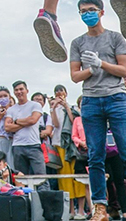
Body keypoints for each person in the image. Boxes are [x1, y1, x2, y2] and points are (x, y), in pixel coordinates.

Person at [69, 0, 126, 221]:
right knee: (95, 156)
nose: (87, 13)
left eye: (91, 9)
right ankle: (99, 208)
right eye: (83, 11)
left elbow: (124, 70)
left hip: (116, 98)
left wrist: (101, 64)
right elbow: (75, 75)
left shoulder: (115, 38)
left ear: (101, 12)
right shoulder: (77, 43)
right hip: (90, 101)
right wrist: (91, 71)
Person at [50, 85, 87, 216]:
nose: (59, 94)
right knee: (64, 179)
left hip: (73, 147)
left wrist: (66, 106)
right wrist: (53, 108)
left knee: (77, 177)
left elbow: (74, 122)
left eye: (61, 91)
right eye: (57, 92)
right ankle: (71, 210)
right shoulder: (53, 109)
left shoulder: (73, 108)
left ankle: (81, 209)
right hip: (59, 145)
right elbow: (56, 124)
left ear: (66, 93)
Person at [5, 80, 46, 175]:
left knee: (40, 176)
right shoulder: (11, 109)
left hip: (34, 145)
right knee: (21, 178)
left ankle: (42, 191)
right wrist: (25, 121)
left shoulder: (35, 105)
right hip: (18, 146)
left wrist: (16, 121)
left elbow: (33, 120)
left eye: (21, 89)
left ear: (27, 90)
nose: (19, 92)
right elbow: (7, 127)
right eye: (16, 90)